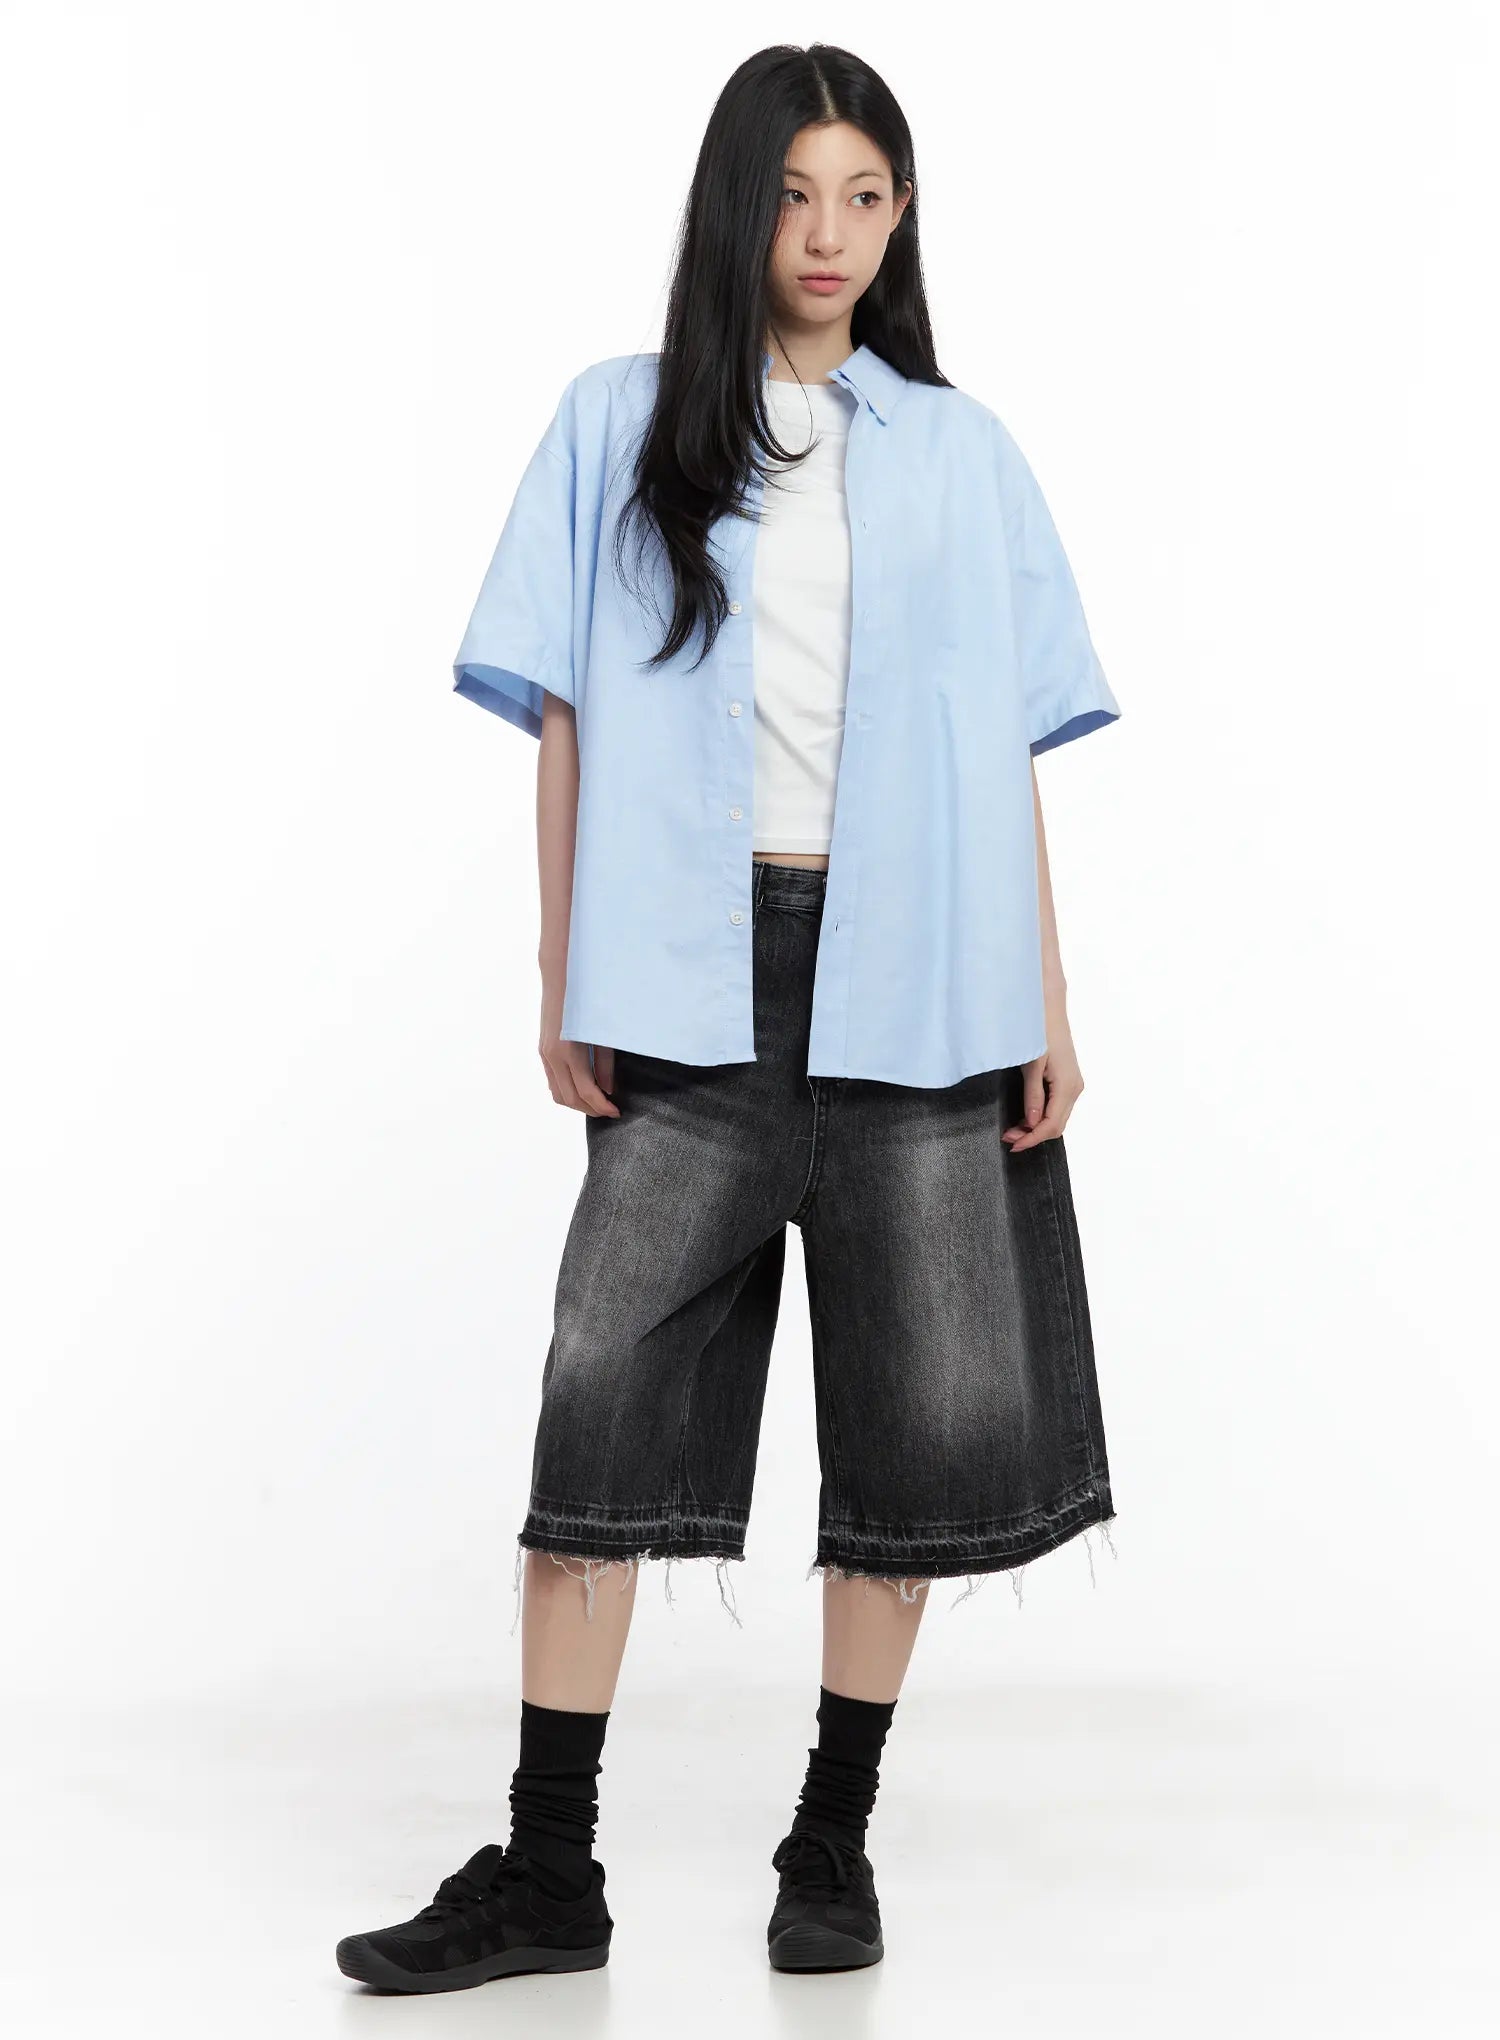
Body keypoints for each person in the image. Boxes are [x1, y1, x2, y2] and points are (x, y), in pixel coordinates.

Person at [336, 39, 1120, 1994]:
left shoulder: (960, 454)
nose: (828, 233)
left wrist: (1047, 993)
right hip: (694, 978)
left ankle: (831, 1838)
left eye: (866, 195)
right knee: (599, 1395)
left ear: (903, 217)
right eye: (792, 193)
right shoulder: (619, 424)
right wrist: (562, 970)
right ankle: (550, 1872)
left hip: (923, 976)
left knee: (918, 1427)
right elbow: (567, 711)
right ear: (734, 206)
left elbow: (1002, 746)